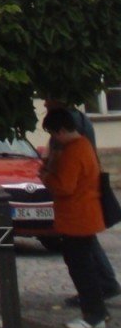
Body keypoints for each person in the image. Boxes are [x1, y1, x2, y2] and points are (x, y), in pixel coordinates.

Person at [44, 97, 121, 308]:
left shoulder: (73, 151)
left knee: (81, 265)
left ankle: (94, 310)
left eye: (52, 134)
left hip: (77, 217)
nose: (44, 103)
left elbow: (65, 186)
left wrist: (46, 176)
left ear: (59, 131)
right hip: (83, 215)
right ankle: (98, 303)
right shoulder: (83, 144)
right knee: (83, 259)